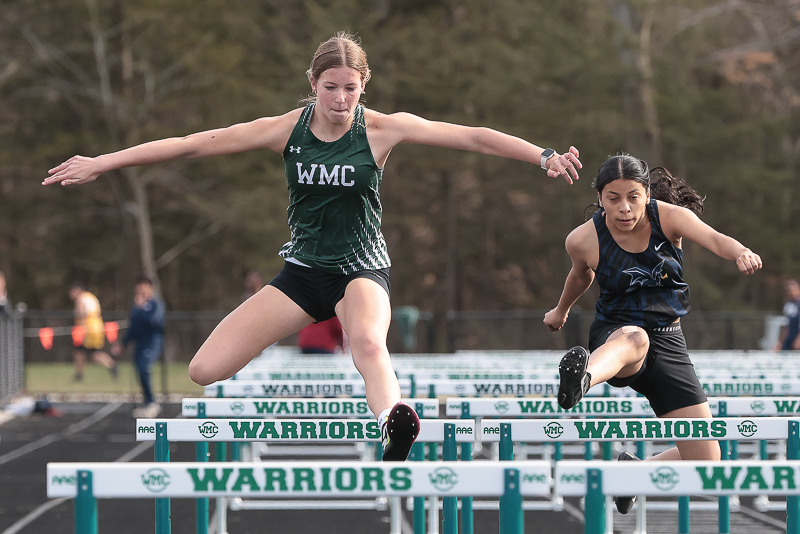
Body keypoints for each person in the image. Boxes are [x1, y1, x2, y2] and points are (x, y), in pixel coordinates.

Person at [44, 32, 583, 461]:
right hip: (301, 275)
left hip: (361, 271)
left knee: (368, 345)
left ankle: (393, 427)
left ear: (363, 87)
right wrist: (103, 162)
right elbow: (189, 146)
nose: (341, 99)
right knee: (203, 370)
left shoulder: (381, 131)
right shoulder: (284, 130)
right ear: (313, 83)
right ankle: (386, 414)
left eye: (350, 88)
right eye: (331, 87)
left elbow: (472, 135)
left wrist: (543, 157)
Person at [543, 154, 762, 513]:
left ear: (646, 194)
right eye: (613, 198)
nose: (624, 208)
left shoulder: (671, 218)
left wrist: (741, 252)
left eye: (633, 197)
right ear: (600, 198)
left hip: (669, 340)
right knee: (636, 339)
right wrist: (561, 310)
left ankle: (634, 472)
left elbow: (714, 238)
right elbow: (580, 276)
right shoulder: (583, 239)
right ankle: (582, 379)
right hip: (616, 336)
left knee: (707, 462)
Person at [112, 276, 166, 417]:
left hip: (152, 343)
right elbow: (133, 329)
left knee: (144, 369)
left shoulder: (155, 304)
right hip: (140, 345)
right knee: (139, 371)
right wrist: (122, 344)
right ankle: (148, 401)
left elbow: (155, 322)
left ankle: (152, 401)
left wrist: (142, 310)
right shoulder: (136, 307)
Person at [68, 282, 117, 382]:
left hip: (88, 329)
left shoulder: (81, 298)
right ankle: (80, 374)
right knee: (84, 352)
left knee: (90, 353)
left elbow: (81, 314)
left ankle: (111, 365)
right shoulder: (91, 297)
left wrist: (78, 324)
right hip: (97, 327)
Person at [775, 279, 800, 351]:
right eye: (788, 290)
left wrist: (798, 339)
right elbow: (787, 324)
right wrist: (780, 342)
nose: (791, 292)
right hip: (789, 337)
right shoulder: (788, 304)